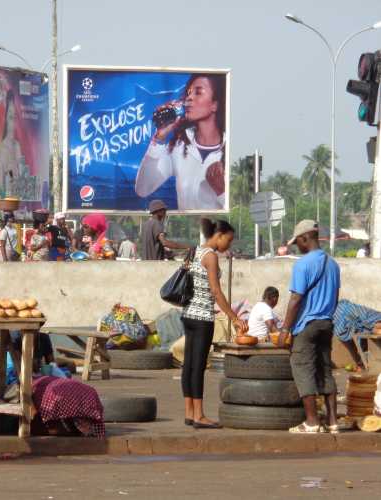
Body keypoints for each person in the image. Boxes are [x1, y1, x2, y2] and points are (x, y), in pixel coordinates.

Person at [181, 218, 248, 429]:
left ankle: (189, 412)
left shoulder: (195, 252)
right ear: (218, 236)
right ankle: (200, 415)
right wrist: (234, 317)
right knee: (198, 367)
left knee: (189, 366)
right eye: (228, 240)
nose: (228, 245)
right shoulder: (210, 257)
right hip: (202, 318)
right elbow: (216, 291)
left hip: (188, 314)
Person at [279, 220, 341, 434]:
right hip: (326, 323)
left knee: (303, 369)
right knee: (325, 370)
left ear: (305, 238)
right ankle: (333, 422)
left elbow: (296, 299)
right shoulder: (333, 264)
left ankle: (312, 422)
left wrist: (285, 329)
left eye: (298, 242)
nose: (297, 246)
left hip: (307, 326)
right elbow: (335, 296)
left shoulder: (303, 264)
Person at [136, 73, 226, 210]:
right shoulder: (179, 147)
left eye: (198, 92)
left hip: (218, 231)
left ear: (215, 105)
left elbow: (240, 209)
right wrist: (158, 140)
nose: (189, 98)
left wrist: (222, 191)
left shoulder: (229, 149)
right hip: (187, 230)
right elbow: (142, 189)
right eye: (189, 93)